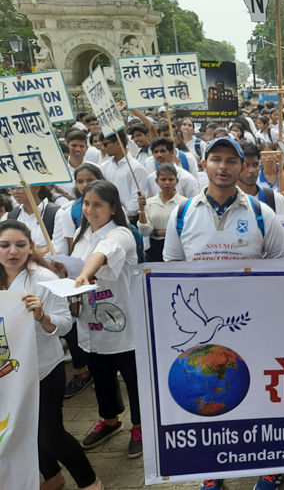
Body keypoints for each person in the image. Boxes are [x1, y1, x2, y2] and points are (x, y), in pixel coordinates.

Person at [162, 135, 284, 490]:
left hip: (255, 325)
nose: (223, 167)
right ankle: (213, 465)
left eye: (231, 161)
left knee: (264, 392)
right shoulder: (183, 213)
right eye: (216, 159)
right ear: (203, 165)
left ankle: (272, 463)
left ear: (243, 167)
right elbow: (172, 265)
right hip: (207, 333)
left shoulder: (261, 212)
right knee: (212, 395)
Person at [0, 221, 102, 490]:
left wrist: (41, 315)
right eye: (4, 245)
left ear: (31, 247)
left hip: (44, 367)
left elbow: (65, 323)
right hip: (9, 371)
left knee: (49, 434)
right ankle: (52, 477)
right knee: (21, 428)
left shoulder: (43, 279)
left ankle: (90, 482)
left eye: (20, 245)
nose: (13, 251)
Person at [71, 181, 143, 458]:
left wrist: (84, 275)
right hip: (89, 322)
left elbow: (101, 256)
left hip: (122, 323)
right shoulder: (82, 233)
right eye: (86, 203)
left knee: (133, 380)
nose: (90, 209)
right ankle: (110, 420)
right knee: (101, 377)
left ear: (113, 208)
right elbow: (76, 263)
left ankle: (140, 426)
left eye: (98, 204)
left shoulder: (122, 234)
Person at [51, 164, 105, 397]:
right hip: (79, 278)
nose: (84, 186)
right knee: (79, 323)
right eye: (80, 181)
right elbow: (72, 248)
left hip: (105, 278)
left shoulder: (112, 208)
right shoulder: (67, 212)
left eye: (89, 180)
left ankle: (107, 366)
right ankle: (86, 369)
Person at [137, 163, 186, 262]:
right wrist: (141, 208)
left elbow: (185, 230)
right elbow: (144, 231)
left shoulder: (184, 203)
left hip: (178, 248)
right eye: (163, 179)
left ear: (177, 181)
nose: (167, 183)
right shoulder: (149, 203)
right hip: (154, 248)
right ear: (157, 181)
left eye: (171, 179)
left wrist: (155, 232)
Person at [99, 130, 149, 223]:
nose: (103, 147)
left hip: (130, 220)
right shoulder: (104, 166)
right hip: (110, 218)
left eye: (105, 144)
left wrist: (123, 214)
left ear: (117, 143)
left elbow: (137, 200)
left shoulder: (136, 168)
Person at [236, 142, 284, 215]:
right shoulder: (224, 200)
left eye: (255, 165)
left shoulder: (277, 200)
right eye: (246, 166)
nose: (252, 170)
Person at [7, 185, 59, 255]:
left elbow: (58, 249)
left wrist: (23, 253)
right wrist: (39, 250)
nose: (15, 192)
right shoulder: (10, 216)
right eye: (12, 188)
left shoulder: (56, 213)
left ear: (36, 188)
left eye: (20, 187)